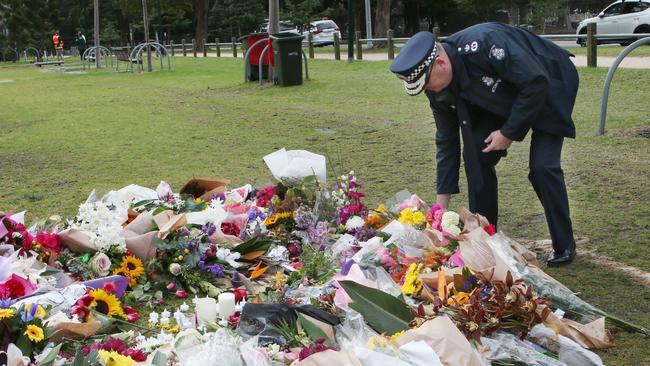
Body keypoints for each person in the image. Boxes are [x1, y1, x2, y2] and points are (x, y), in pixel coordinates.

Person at [389, 23, 579, 267]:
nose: (428, 91)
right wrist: (439, 210)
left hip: (549, 80)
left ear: (441, 64)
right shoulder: (436, 85)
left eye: (426, 84)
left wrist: (509, 132)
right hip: (503, 94)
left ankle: (564, 243)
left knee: (543, 167)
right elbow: (447, 142)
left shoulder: (487, 44)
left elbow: (534, 83)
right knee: (476, 155)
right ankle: (487, 236)